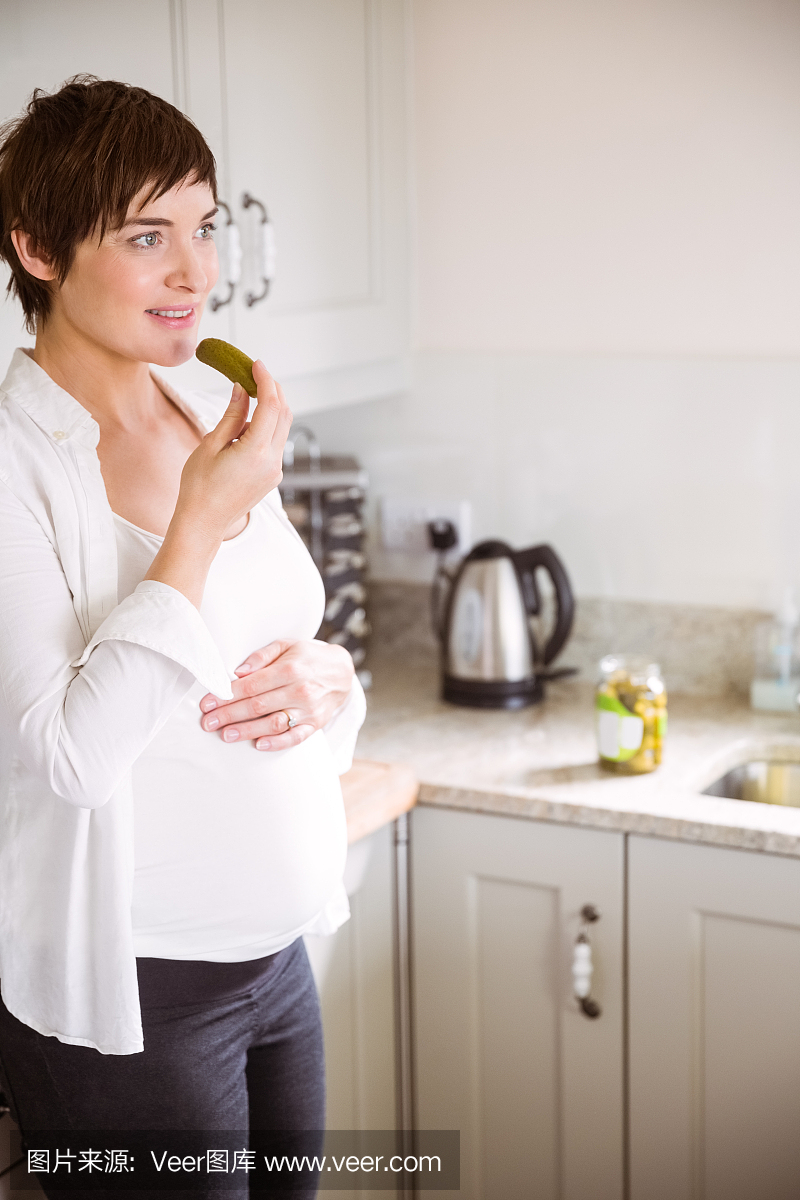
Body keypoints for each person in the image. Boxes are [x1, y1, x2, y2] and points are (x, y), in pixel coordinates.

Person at [0, 77, 366, 1196]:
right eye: (147, 235)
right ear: (40, 251)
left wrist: (330, 679)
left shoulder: (211, 411)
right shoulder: (13, 465)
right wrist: (199, 522)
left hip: (278, 963)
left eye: (202, 229)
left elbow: (290, 641)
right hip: (135, 999)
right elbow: (70, 757)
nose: (196, 272)